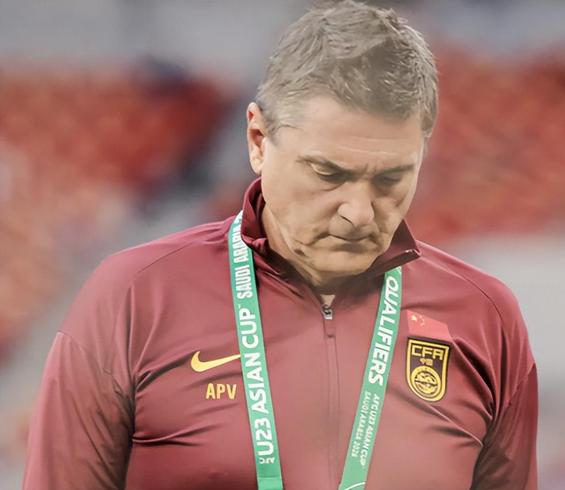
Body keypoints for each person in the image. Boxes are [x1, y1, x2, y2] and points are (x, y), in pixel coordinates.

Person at [23, 1, 537, 489]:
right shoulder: (135, 298)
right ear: (258, 141)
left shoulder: (483, 318)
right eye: (328, 173)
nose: (359, 212)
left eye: (391, 178)